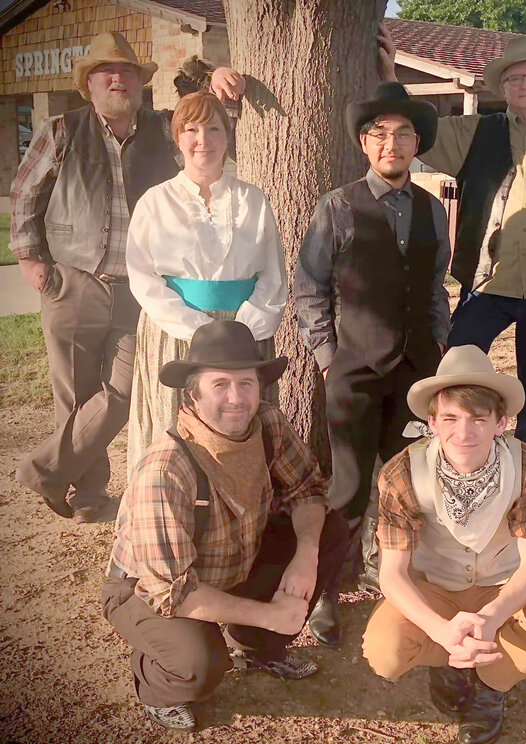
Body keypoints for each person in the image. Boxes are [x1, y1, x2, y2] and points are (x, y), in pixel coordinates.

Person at [9, 31, 245, 522]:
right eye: (106, 72)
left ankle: (42, 470)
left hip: (141, 287)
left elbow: (202, 120)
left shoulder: (162, 129)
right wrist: (30, 258)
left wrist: (212, 76)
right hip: (73, 282)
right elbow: (26, 193)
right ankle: (90, 496)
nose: (119, 79)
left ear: (141, 83)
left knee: (119, 395)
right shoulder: (62, 130)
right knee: (74, 396)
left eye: (128, 72)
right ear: (89, 84)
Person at [102, 320, 347, 731]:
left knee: (330, 530)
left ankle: (256, 647)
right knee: (200, 665)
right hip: (149, 590)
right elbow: (171, 593)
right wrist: (272, 615)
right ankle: (156, 680)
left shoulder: (267, 422)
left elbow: (307, 488)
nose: (237, 399)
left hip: (234, 561)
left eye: (246, 383)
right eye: (220, 385)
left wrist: (305, 554)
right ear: (192, 394)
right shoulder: (166, 468)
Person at [378, 24, 526, 454]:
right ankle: (452, 464)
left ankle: (525, 477)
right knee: (452, 377)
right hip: (485, 286)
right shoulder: (475, 132)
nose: (523, 84)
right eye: (513, 77)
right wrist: (391, 74)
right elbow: (416, 128)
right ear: (501, 86)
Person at [362, 345, 526, 744]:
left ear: (500, 422)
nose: (463, 433)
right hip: (435, 586)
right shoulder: (402, 472)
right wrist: (444, 632)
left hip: (503, 585)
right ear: (431, 422)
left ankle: (492, 684)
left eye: (478, 419)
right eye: (450, 418)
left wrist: (493, 616)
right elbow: (392, 574)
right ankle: (449, 658)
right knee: (385, 652)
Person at [294, 82, 451, 648]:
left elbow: (436, 288)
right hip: (354, 373)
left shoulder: (433, 209)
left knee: (410, 483)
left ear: (416, 143)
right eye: (380, 133)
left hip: (416, 375)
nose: (392, 143)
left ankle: (404, 581)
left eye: (403, 133)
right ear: (365, 143)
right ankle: (330, 590)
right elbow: (308, 288)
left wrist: (437, 351)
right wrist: (328, 357)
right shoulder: (337, 206)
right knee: (351, 486)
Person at [125, 91, 287, 477]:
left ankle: (244, 517)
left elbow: (272, 274)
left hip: (244, 332)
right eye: (192, 130)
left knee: (238, 421)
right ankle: (168, 507)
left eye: (214, 129)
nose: (204, 140)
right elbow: (142, 276)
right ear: (177, 138)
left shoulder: (253, 200)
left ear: (227, 136)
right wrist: (196, 328)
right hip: (177, 332)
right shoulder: (155, 201)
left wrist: (243, 328)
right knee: (177, 429)